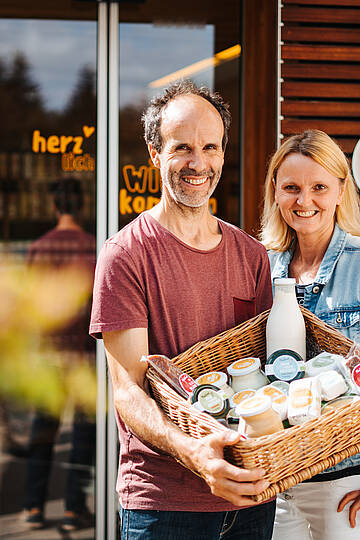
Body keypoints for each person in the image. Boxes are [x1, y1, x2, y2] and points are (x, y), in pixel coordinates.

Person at [90, 80, 276, 539]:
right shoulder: (125, 256)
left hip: (251, 494)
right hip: (164, 505)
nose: (199, 163)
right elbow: (128, 392)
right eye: (182, 148)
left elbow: (269, 374)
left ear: (223, 154)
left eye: (210, 147)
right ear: (155, 153)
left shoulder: (251, 255)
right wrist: (195, 455)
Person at [260, 129, 360, 540]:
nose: (304, 201)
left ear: (340, 191)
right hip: (273, 484)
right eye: (291, 188)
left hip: (346, 481)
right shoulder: (259, 267)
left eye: (319, 187)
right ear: (276, 193)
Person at [22, 178, 96, 532]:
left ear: (54, 206)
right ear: (80, 205)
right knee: (83, 435)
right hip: (84, 355)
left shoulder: (39, 247)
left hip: (49, 357)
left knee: (43, 432)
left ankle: (34, 507)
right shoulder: (91, 247)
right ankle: (73, 507)